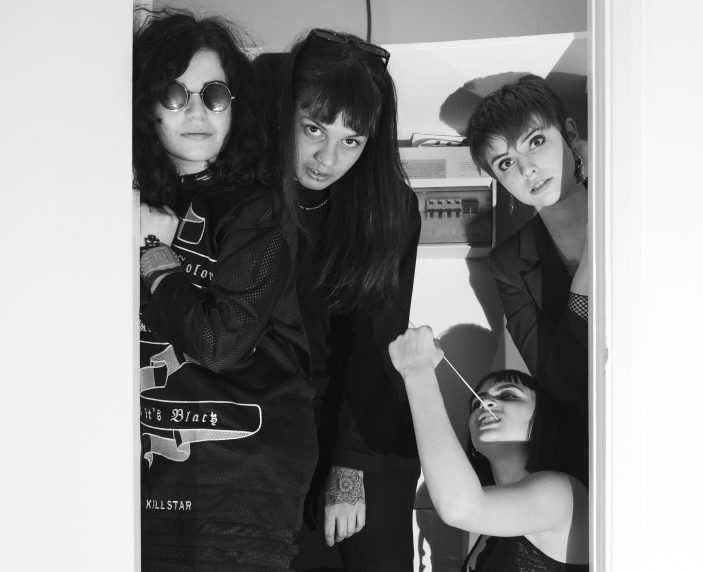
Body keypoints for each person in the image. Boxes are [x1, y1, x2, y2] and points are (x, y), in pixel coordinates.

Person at [134, 10, 317, 570]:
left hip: (243, 477)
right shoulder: (123, 198)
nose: (197, 111)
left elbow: (220, 343)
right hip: (149, 470)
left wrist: (155, 256)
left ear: (235, 106)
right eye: (175, 94)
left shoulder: (258, 208)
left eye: (214, 95)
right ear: (146, 103)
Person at [275, 28, 422, 571]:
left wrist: (350, 464)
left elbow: (377, 340)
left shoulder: (387, 208)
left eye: (351, 141)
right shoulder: (253, 197)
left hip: (365, 422)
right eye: (314, 128)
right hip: (277, 429)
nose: (326, 156)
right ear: (286, 113)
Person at [389, 326, 589, 571]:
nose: (485, 403)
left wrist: (418, 372)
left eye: (509, 395)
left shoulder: (562, 493)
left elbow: (460, 508)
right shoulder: (491, 512)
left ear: (543, 420)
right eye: (477, 402)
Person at [467, 75, 589, 410]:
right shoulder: (507, 264)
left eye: (535, 142)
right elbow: (560, 383)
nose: (527, 169)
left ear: (570, 136)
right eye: (506, 163)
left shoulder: (631, 206)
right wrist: (588, 272)